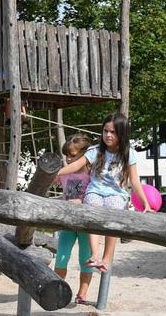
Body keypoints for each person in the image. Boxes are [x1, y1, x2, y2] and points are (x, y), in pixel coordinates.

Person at [55, 112, 153, 274]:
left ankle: (106, 259)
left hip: (117, 193)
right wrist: (57, 173)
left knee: (112, 215)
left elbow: (134, 181)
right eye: (105, 131)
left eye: (113, 132)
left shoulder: (129, 154)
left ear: (122, 134)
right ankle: (95, 254)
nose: (108, 135)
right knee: (92, 207)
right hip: (96, 190)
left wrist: (146, 204)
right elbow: (76, 165)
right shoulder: (95, 151)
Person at [52, 134, 95, 305]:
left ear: (84, 154)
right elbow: (56, 185)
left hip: (86, 224)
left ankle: (82, 294)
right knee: (61, 257)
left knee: (86, 258)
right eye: (67, 156)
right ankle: (58, 289)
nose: (69, 159)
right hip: (68, 223)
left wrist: (81, 201)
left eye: (73, 155)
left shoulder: (93, 175)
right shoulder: (64, 174)